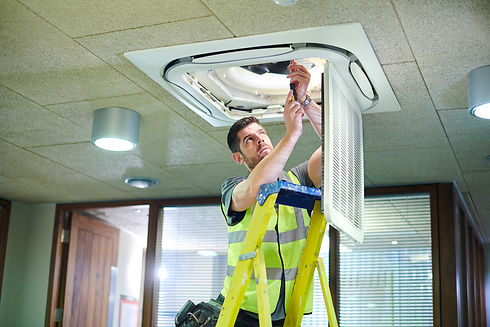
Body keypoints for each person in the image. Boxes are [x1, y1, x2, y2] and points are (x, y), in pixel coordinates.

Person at [216, 61, 323, 327]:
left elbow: (337, 145)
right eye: (249, 139)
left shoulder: (299, 179)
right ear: (239, 158)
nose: (260, 139)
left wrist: (306, 102)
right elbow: (255, 189)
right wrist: (293, 132)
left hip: (288, 310)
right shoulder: (232, 188)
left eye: (261, 133)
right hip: (242, 310)